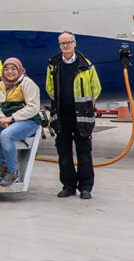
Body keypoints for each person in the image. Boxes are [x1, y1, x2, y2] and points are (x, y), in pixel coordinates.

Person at [47, 31, 101, 200]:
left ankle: (85, 187)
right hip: (62, 116)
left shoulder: (87, 65)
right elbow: (50, 89)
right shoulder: (53, 65)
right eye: (63, 43)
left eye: (69, 42)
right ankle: (68, 186)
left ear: (75, 43)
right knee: (64, 153)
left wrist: (83, 105)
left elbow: (96, 89)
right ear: (59, 46)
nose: (66, 46)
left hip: (82, 117)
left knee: (84, 152)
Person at [0, 57, 42, 187]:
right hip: (7, 119)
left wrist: (11, 118)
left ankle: (12, 171)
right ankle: (3, 164)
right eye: (6, 69)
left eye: (13, 69)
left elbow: (33, 107)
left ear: (19, 69)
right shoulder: (1, 85)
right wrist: (0, 119)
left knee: (6, 135)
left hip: (28, 120)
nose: (9, 72)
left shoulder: (27, 83)